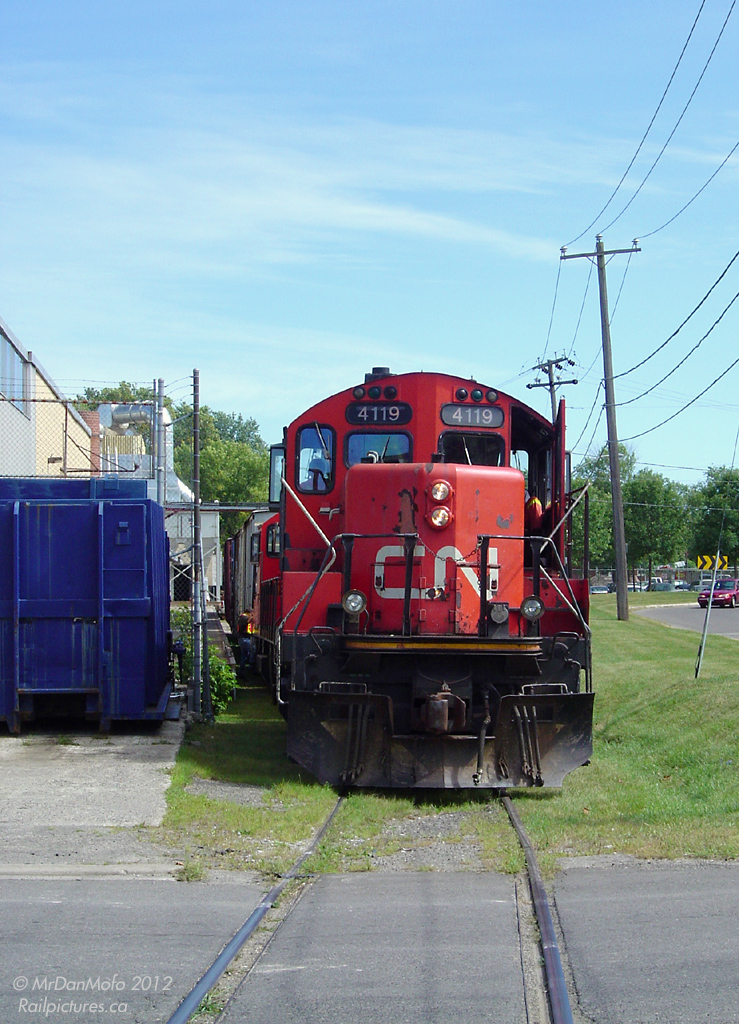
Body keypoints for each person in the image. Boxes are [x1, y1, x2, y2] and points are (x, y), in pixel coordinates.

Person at [236, 610, 255, 676]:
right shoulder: (244, 618)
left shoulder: (241, 618)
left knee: (244, 656)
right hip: (244, 639)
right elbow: (248, 620)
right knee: (253, 650)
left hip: (242, 639)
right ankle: (251, 666)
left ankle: (241, 671)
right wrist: (253, 616)